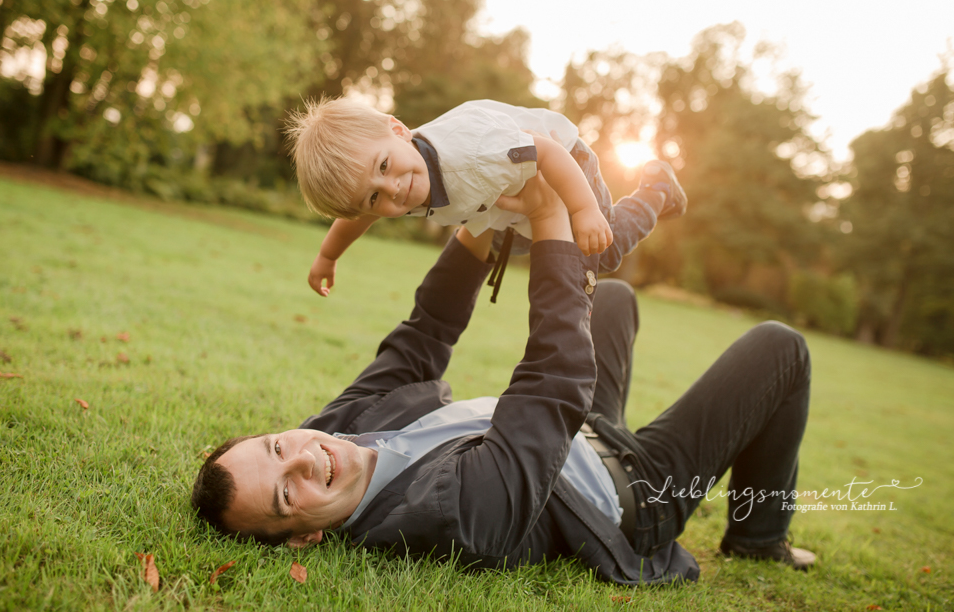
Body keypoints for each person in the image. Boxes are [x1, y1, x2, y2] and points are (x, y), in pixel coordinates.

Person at [190, 173, 816, 584]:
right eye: (284, 495)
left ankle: (634, 212)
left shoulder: (334, 433)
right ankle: (759, 539)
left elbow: (422, 336)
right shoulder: (447, 517)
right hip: (633, 492)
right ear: (306, 539)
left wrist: (476, 226)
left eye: (276, 448)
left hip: (580, 436)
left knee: (614, 299)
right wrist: (549, 224)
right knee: (779, 348)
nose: (300, 461)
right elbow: (553, 381)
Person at [285, 97, 685, 298]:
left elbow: (546, 150)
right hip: (500, 194)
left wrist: (582, 210)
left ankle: (655, 189)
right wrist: (328, 255)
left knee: (602, 250)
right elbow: (357, 216)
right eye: (374, 197)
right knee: (506, 241)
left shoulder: (472, 152)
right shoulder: (399, 176)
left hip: (564, 163)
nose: (392, 189)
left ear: (397, 129)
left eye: (385, 167)